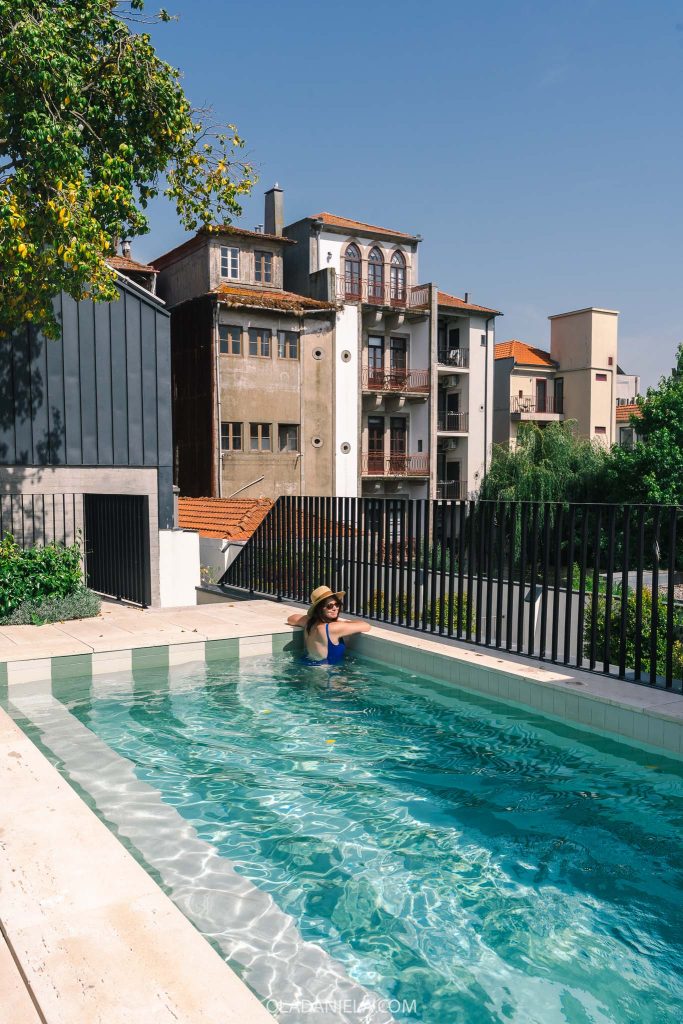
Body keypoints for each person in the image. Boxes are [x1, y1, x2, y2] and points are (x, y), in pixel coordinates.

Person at [286, 586, 370, 664]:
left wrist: (316, 616)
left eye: (337, 604)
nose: (335, 608)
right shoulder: (332, 628)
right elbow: (366, 626)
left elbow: (291, 618)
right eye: (330, 606)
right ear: (319, 609)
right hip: (325, 674)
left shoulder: (308, 622)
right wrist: (341, 622)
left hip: (306, 663)